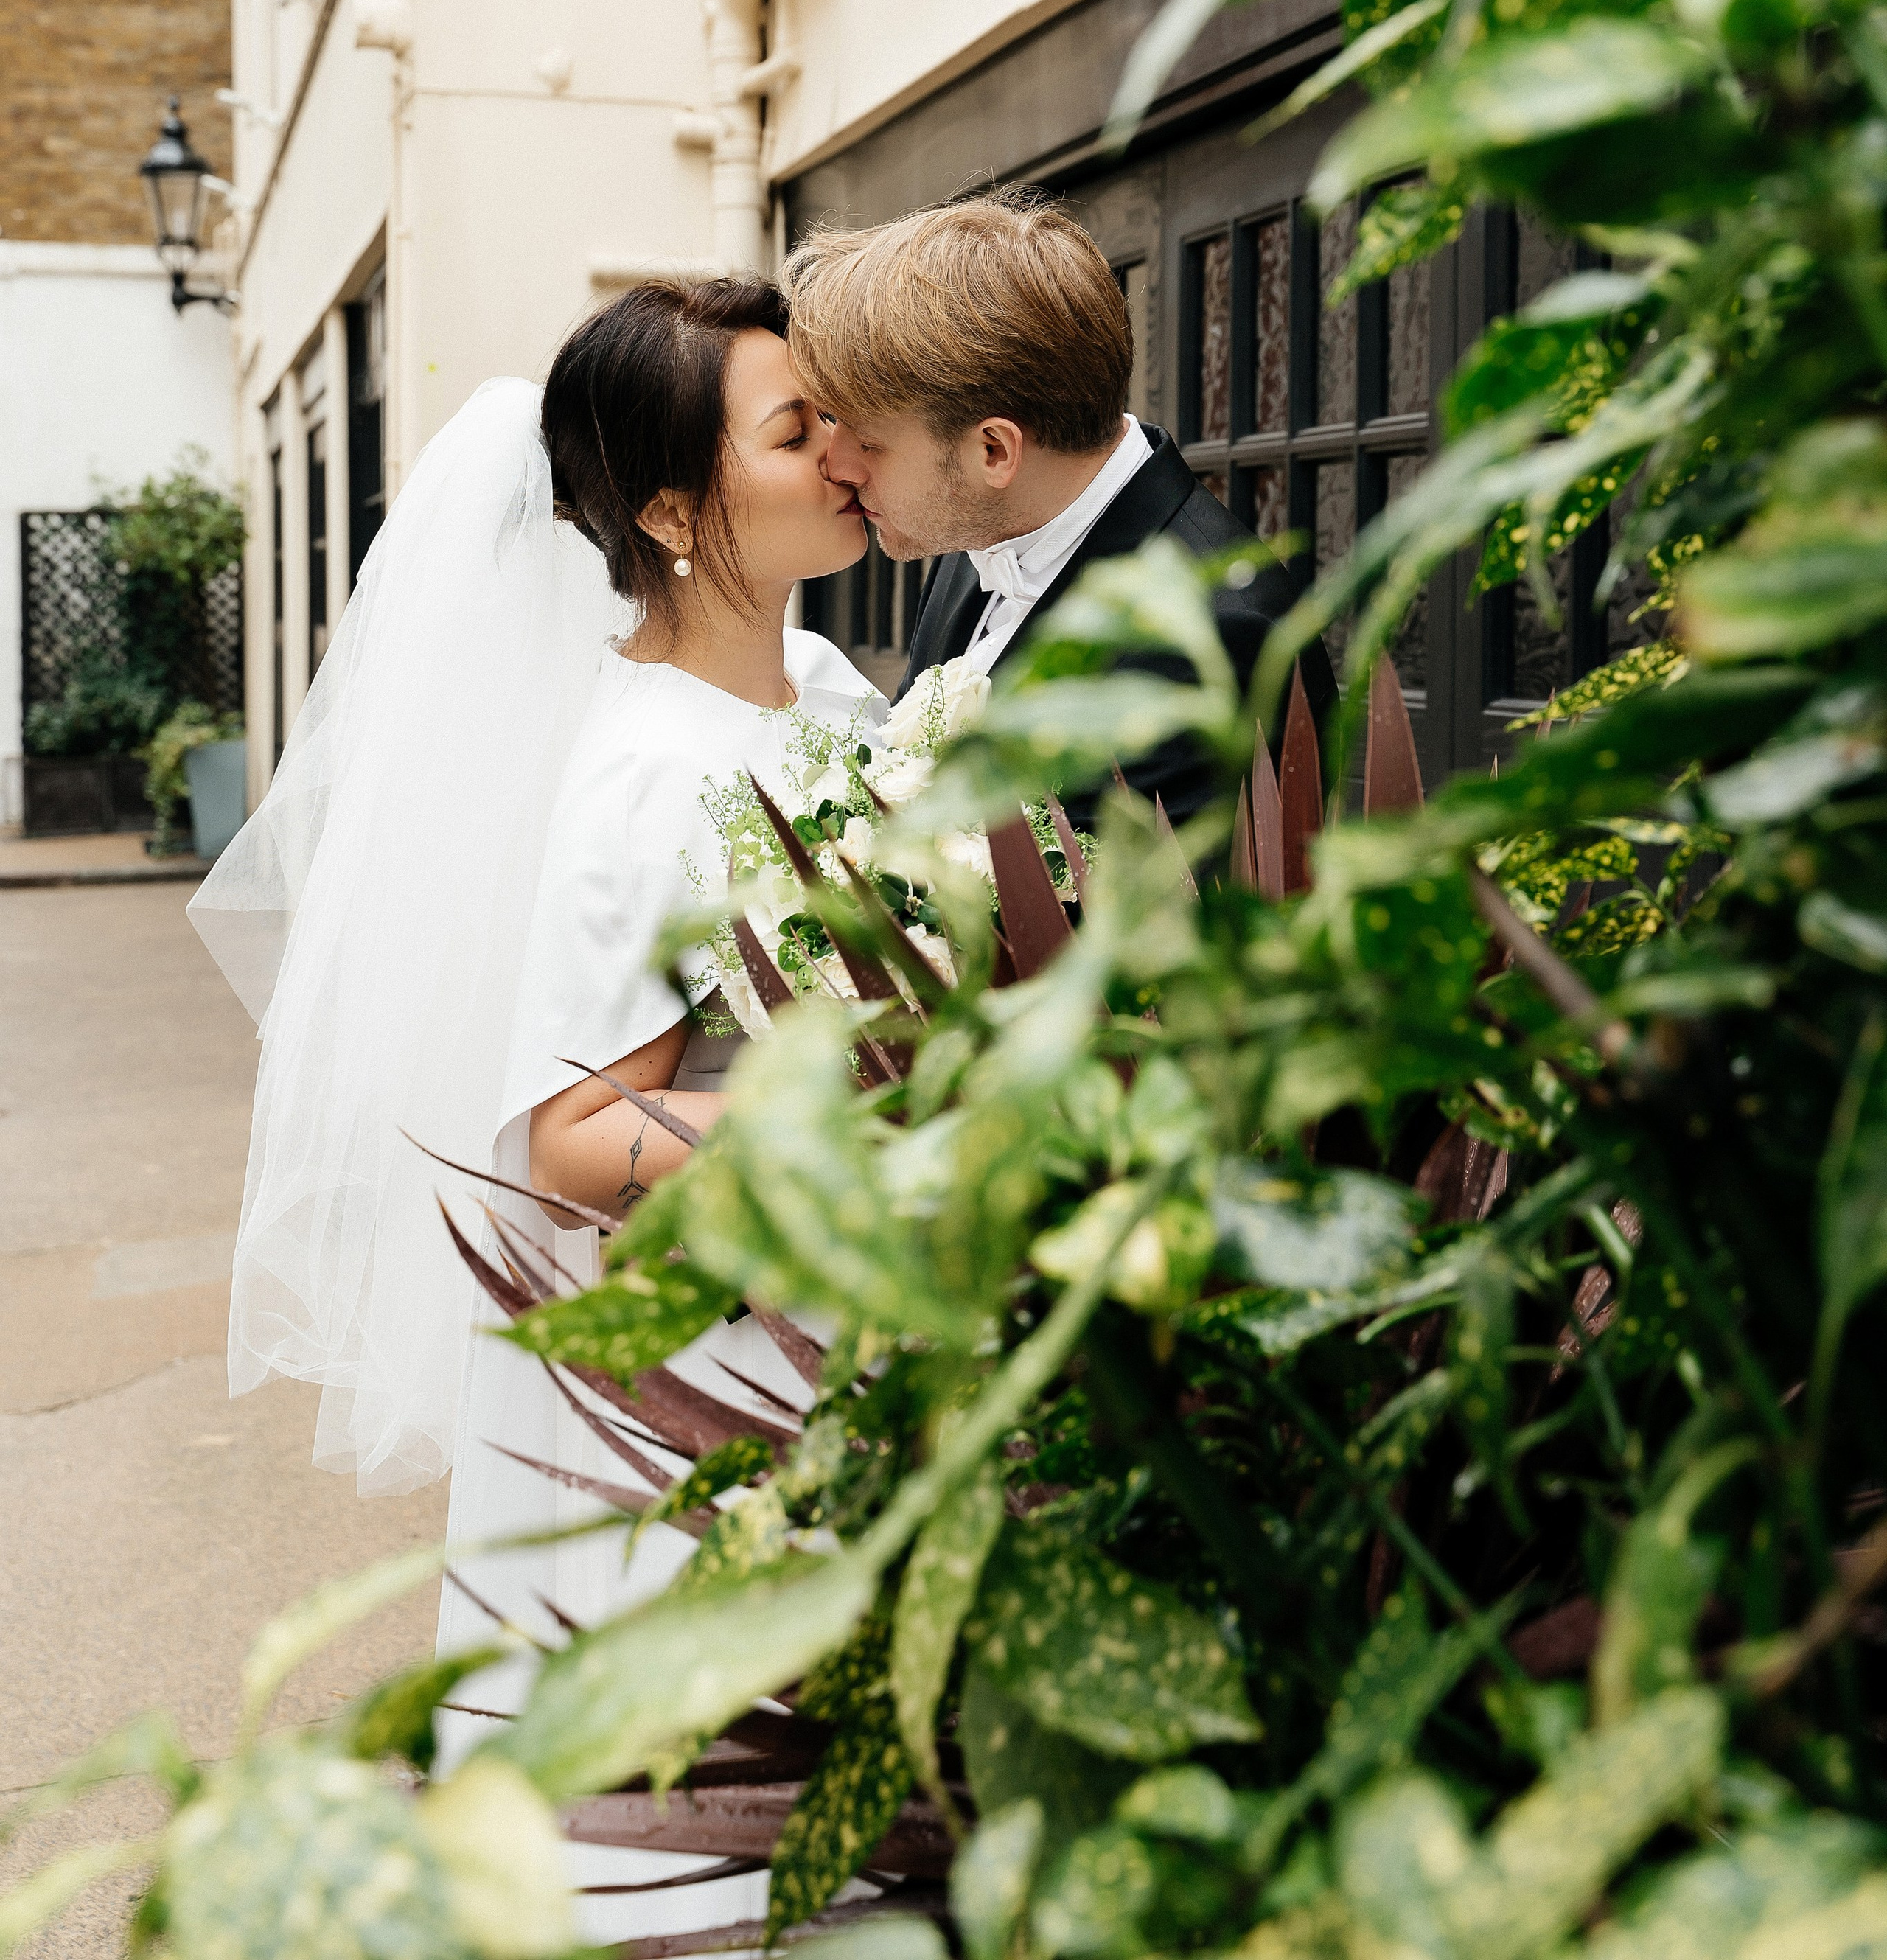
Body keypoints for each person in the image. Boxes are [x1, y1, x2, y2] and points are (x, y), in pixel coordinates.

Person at [187, 276, 876, 1939]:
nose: (846, 450)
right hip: (713, 1346)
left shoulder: (833, 690)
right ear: (670, 511)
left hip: (841, 1310)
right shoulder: (642, 768)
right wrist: (857, 1112)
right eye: (796, 428)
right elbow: (569, 1137)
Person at [786, 191, 1337, 825]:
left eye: (869, 442)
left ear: (994, 450)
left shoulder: (1211, 645)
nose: (837, 463)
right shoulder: (981, 532)